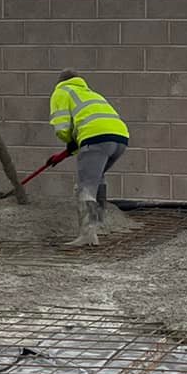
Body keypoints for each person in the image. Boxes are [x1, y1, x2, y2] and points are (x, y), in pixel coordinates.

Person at [49, 71, 130, 248]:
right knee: (97, 179)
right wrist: (70, 150)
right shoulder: (91, 94)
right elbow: (91, 124)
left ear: (60, 82)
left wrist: (69, 142)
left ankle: (88, 235)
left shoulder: (62, 91)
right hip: (120, 139)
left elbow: (62, 128)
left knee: (85, 187)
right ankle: (99, 225)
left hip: (96, 138)